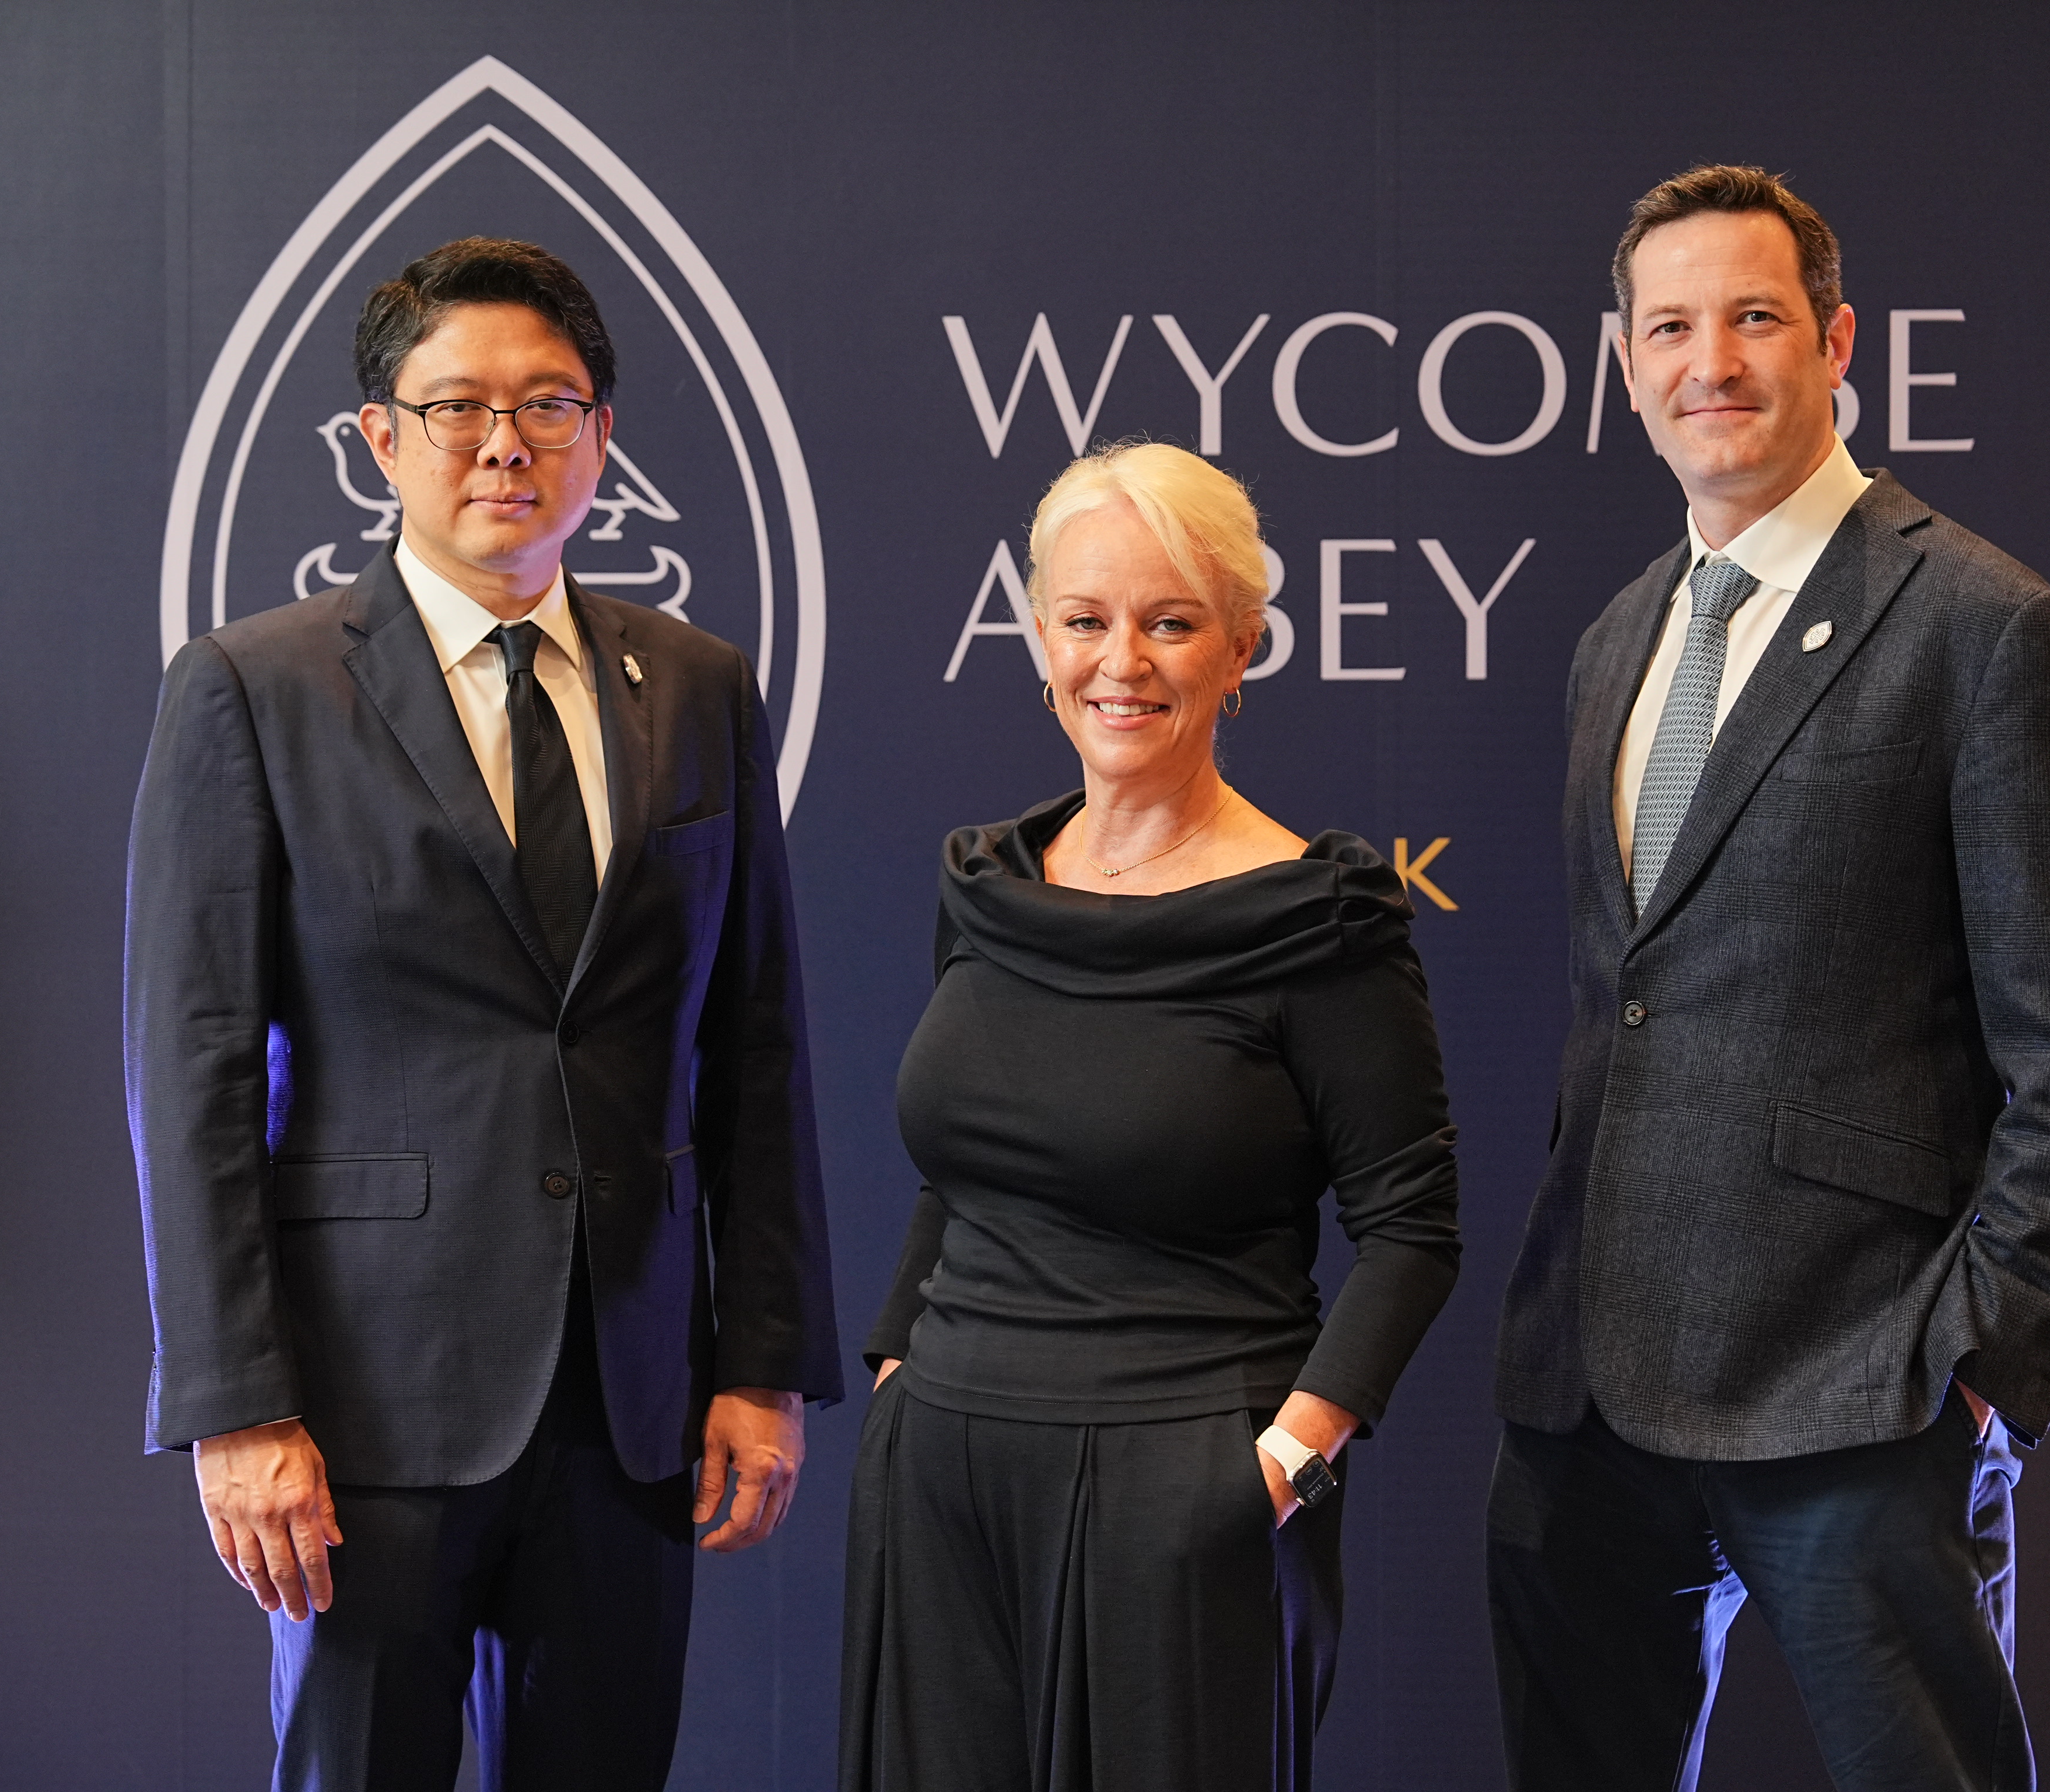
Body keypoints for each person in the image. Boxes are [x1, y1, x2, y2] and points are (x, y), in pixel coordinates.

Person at [126, 237, 840, 1790]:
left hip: (633, 1395)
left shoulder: (702, 682)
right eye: (457, 406)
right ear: (381, 437)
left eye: (549, 404)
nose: (504, 443)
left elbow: (759, 1042)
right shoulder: (254, 688)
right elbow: (189, 1077)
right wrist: (235, 1408)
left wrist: (762, 1357)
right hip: (363, 1408)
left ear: (602, 435)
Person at [1488, 167, 2050, 1791]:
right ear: (1628, 363)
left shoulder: (1991, 631)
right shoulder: (1617, 638)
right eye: (1669, 326)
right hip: (1589, 1404)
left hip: (1863, 1399)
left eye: (1754, 318)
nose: (1708, 359)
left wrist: (1985, 1377)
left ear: (1838, 340)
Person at [838, 442, 1462, 1792]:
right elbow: (966, 1174)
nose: (1122, 661)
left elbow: (1410, 1231)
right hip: (944, 1477)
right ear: (1039, 637)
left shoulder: (1320, 916)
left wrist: (1280, 1469)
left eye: (1170, 623)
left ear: (1240, 648)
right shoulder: (992, 884)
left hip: (1186, 1489)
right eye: (1087, 620)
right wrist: (896, 1374)